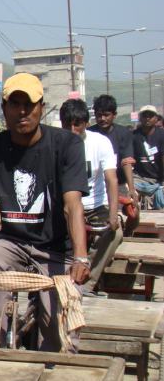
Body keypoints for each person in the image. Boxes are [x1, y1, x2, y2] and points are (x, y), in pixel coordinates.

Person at [0, 72, 90, 352]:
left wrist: (81, 256)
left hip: (56, 248)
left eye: (29, 104)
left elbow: (72, 204)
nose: (22, 111)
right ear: (4, 109)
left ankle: (49, 348)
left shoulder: (67, 145)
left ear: (41, 107)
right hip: (12, 242)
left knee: (59, 335)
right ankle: (9, 336)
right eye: (15, 104)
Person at [59, 99, 121, 295]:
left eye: (77, 124)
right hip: (67, 205)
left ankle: (87, 281)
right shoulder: (56, 143)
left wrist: (113, 213)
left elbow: (111, 179)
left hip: (95, 206)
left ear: (86, 123)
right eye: (67, 125)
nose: (72, 130)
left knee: (115, 234)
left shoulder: (100, 142)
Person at [89, 94, 138, 205]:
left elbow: (127, 161)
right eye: (99, 115)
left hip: (119, 183)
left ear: (114, 115)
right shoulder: (89, 133)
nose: (102, 119)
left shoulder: (123, 133)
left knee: (132, 210)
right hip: (96, 186)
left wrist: (131, 188)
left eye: (106, 115)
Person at [132, 105, 164, 209]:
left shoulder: (162, 135)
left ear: (156, 118)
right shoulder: (133, 136)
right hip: (139, 178)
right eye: (145, 115)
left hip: (159, 179)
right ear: (140, 118)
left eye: (151, 115)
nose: (147, 118)